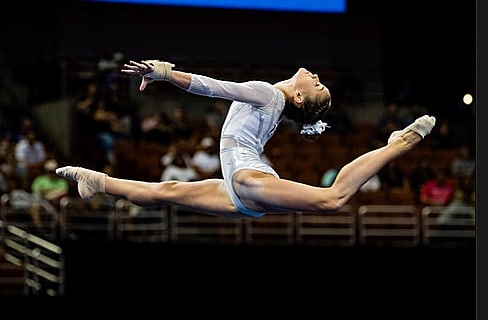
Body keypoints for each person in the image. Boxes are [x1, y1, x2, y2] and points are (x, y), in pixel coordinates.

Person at [55, 59, 436, 219]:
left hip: (246, 179)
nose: (315, 74)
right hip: (240, 189)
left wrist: (166, 74)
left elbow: (214, 88)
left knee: (333, 198)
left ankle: (397, 144)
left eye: (317, 84)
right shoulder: (274, 103)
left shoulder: (269, 94)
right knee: (166, 191)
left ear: (299, 97)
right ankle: (99, 181)